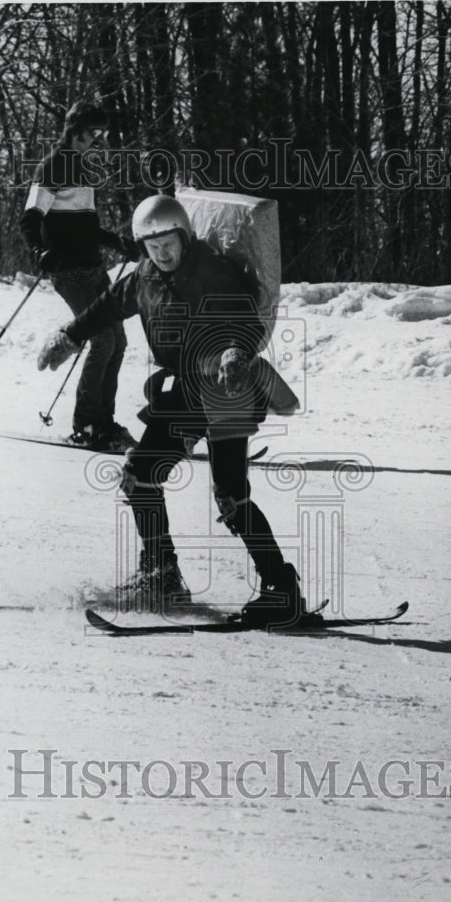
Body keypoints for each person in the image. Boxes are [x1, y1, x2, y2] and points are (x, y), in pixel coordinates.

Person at [37, 193, 314, 628]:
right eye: (152, 246)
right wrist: (70, 335)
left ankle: (282, 591)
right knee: (141, 475)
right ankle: (162, 576)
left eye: (168, 242)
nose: (162, 253)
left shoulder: (211, 272)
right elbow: (110, 305)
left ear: (184, 236)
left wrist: (232, 353)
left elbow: (243, 318)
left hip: (226, 387)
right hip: (187, 387)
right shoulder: (145, 275)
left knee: (230, 494)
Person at [20, 101, 139, 453]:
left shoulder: (85, 170)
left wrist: (116, 242)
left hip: (93, 267)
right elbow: (29, 219)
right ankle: (86, 424)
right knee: (102, 340)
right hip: (68, 271)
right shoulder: (53, 166)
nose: (96, 140)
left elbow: (86, 227)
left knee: (118, 342)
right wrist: (40, 252)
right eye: (91, 133)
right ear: (73, 129)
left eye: (101, 134)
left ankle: (105, 422)